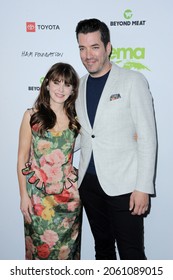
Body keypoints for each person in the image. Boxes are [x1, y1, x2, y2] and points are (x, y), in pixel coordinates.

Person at [75, 18, 157, 260]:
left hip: (125, 186)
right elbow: (82, 133)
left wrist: (143, 187)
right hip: (89, 185)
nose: (88, 55)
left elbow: (147, 137)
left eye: (94, 47)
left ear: (108, 47)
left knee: (132, 254)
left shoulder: (133, 81)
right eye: (82, 48)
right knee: (102, 250)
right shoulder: (78, 86)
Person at [17, 62, 82, 260]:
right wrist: (24, 197)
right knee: (39, 254)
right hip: (37, 199)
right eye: (56, 82)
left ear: (72, 90)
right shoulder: (32, 116)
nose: (61, 89)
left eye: (67, 84)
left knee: (67, 257)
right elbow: (22, 159)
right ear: (47, 84)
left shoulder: (76, 119)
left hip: (69, 200)